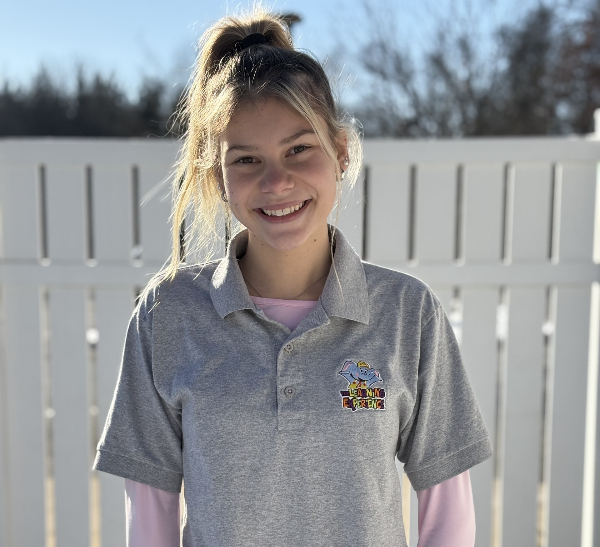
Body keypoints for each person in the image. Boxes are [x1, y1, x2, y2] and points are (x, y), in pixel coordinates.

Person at [92, 6, 493, 547]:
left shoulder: (407, 313)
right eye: (246, 160)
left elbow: (449, 513)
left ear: (341, 153)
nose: (276, 181)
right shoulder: (168, 314)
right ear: (218, 176)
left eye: (299, 149)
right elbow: (149, 514)